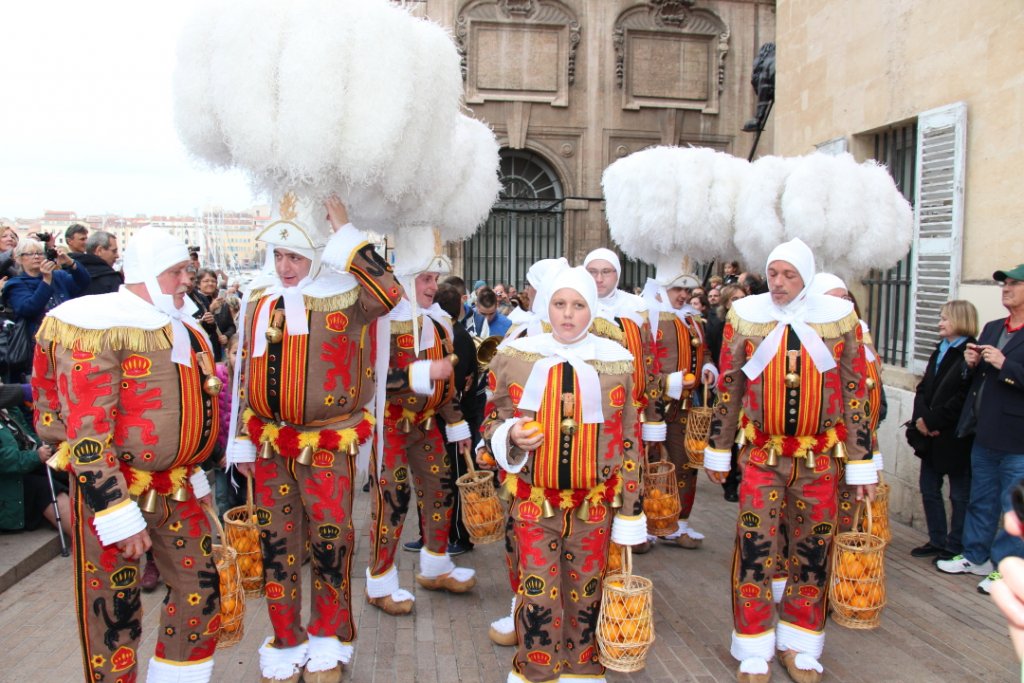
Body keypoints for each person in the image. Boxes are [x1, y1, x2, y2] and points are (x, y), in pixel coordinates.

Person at [32, 227, 222, 683]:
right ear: (147, 274)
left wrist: (194, 475)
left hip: (176, 485)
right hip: (115, 494)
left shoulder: (180, 324)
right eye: (176, 271)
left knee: (201, 586)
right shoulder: (99, 327)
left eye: (187, 271)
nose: (186, 281)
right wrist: (115, 510)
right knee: (115, 612)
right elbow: (86, 432)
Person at [227, 193, 402, 682]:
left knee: (331, 540)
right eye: (279, 255)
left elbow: (391, 292)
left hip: (328, 441)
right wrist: (241, 438)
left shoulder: (349, 293)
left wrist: (347, 233)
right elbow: (245, 371)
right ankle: (286, 639)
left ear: (319, 253)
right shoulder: (258, 298)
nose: (285, 266)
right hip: (267, 443)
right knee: (276, 545)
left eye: (296, 256)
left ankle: (330, 636)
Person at [703, 238, 874, 683]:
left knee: (813, 547)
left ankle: (800, 641)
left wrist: (861, 461)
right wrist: (719, 448)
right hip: (762, 453)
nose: (778, 283)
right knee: (756, 546)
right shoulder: (747, 318)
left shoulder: (837, 321)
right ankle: (754, 640)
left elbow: (856, 393)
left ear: (807, 277)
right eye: (773, 273)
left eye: (788, 275)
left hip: (820, 457)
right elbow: (730, 387)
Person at [483, 266, 644, 683]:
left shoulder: (616, 363)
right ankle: (536, 671)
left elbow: (629, 440)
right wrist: (511, 433)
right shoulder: (517, 359)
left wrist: (630, 510)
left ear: (592, 310)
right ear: (546, 307)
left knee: (586, 589)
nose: (568, 314)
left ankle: (582, 671)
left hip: (594, 506)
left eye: (578, 305)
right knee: (537, 591)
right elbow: (490, 419)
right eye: (559, 304)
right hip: (534, 502)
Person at [365, 230, 475, 617]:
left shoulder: (440, 320)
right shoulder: (382, 320)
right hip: (391, 424)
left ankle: (436, 564)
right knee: (394, 500)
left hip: (428, 425)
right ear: (407, 280)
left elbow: (446, 382)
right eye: (426, 279)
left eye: (434, 279)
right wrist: (421, 371)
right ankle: (380, 580)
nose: (433, 287)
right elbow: (371, 379)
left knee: (440, 490)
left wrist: (456, 421)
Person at [939, 264, 1024, 594]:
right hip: (985, 433)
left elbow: (1008, 372)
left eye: (1014, 284)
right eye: (1004, 283)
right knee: (981, 500)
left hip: (1018, 440)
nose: (1006, 288)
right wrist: (971, 365)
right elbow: (975, 381)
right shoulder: (991, 328)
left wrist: (1006, 365)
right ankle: (976, 556)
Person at [583, 248, 662, 551]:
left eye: (607, 272)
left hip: (629, 411)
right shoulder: (574, 306)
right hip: (590, 412)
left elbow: (649, 361)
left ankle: (629, 528)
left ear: (618, 275)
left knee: (630, 469)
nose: (600, 279)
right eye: (593, 271)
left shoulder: (636, 309)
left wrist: (653, 413)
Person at [643, 264, 717, 549]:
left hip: (686, 407)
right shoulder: (647, 319)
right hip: (653, 406)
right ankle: (646, 525)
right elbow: (639, 364)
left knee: (686, 465)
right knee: (648, 467)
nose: (684, 295)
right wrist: (666, 381)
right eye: (678, 289)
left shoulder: (692, 319)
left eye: (688, 289)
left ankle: (676, 525)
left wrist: (708, 366)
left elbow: (705, 351)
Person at [905, 300, 978, 561]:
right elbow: (924, 386)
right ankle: (936, 539)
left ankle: (954, 544)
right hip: (929, 433)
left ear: (960, 320)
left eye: (945, 318)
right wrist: (921, 420)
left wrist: (934, 422)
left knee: (959, 495)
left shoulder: (970, 354)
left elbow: (963, 398)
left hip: (953, 435)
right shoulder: (940, 349)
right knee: (929, 488)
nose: (940, 323)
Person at [3, 238, 91, 379]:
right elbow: (29, 308)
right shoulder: (16, 284)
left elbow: (84, 283)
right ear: (19, 259)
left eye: (39, 253)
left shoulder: (59, 276)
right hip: (36, 347)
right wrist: (46, 281)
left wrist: (70, 263)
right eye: (30, 254)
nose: (37, 257)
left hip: (65, 342)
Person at [0, 387, 71, 536]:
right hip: (9, 482)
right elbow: (4, 460)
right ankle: (83, 539)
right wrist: (35, 457)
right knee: (46, 489)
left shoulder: (9, 409)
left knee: (68, 469)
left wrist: (45, 447)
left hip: (28, 465)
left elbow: (29, 436)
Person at [78, 231, 124, 296]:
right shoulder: (111, 279)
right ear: (99, 251)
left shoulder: (74, 274)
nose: (117, 256)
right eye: (114, 251)